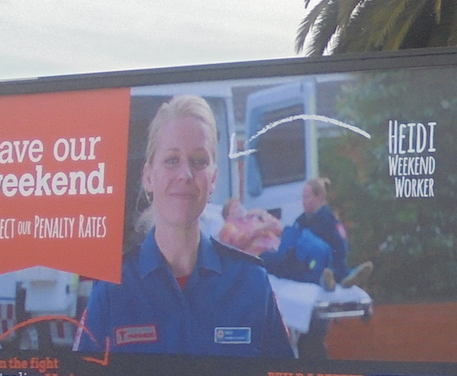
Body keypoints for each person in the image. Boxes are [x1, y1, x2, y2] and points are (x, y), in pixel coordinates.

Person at [79, 94, 295, 359]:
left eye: (199, 161)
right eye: (171, 160)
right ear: (149, 176)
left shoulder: (251, 283)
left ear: (213, 178)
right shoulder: (113, 290)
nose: (185, 174)